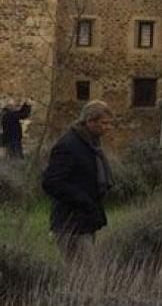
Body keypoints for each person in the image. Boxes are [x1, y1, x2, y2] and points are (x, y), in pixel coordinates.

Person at [41, 100, 114, 262]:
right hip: (70, 224)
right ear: (90, 121)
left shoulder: (91, 145)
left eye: (109, 124)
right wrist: (83, 201)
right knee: (83, 274)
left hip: (85, 221)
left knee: (85, 272)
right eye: (104, 123)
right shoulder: (68, 146)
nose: (108, 128)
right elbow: (51, 182)